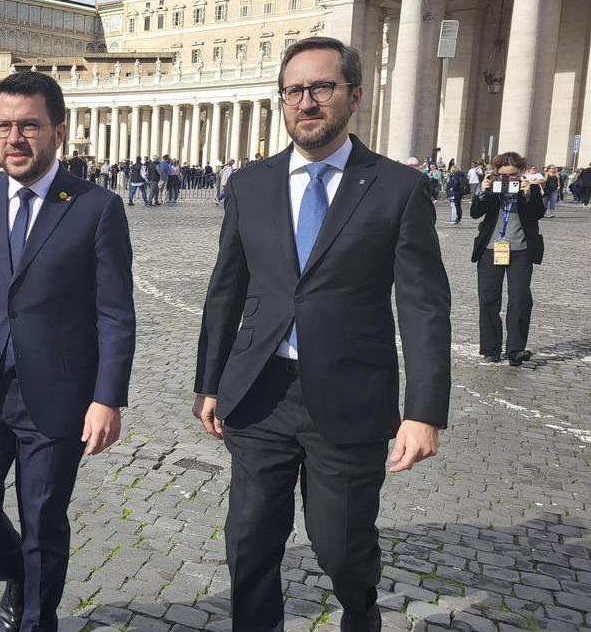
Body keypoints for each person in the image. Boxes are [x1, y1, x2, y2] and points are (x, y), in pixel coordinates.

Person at [193, 37, 451, 632]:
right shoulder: (250, 184)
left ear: (354, 96)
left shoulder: (396, 188)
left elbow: (423, 307)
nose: (306, 102)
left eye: (321, 88)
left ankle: (361, 613)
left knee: (339, 545)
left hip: (351, 398)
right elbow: (225, 289)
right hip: (260, 392)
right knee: (250, 541)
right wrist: (209, 382)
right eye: (293, 91)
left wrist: (425, 410)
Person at [0, 71, 135, 632]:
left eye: (28, 126)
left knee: (44, 520)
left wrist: (107, 398)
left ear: (58, 132)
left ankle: (35, 618)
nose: (14, 138)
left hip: (57, 392)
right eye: (4, 127)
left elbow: (115, 312)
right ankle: (21, 574)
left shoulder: (97, 207)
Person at [470, 152, 546, 366]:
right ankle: (491, 348)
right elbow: (476, 213)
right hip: (490, 249)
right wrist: (482, 193)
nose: (508, 180)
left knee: (520, 297)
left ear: (520, 173)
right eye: (502, 175)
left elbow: (538, 213)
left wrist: (528, 195)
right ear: (496, 173)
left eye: (512, 176)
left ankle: (516, 349)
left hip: (521, 250)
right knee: (488, 298)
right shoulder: (491, 189)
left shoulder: (530, 189)